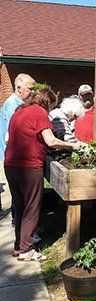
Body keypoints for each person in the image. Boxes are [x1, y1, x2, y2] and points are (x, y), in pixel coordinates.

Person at [4, 85, 81, 261]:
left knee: (20, 206)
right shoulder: (39, 112)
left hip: (10, 165)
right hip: (29, 166)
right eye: (52, 106)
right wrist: (74, 145)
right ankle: (26, 249)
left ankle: (19, 245)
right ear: (47, 102)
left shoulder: (19, 112)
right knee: (32, 206)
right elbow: (51, 141)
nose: (51, 110)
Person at [0, 73, 35, 223]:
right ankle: (18, 225)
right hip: (12, 157)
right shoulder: (13, 105)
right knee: (18, 194)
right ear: (19, 88)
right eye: (30, 89)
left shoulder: (18, 103)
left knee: (18, 194)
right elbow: (11, 136)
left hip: (12, 156)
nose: (33, 92)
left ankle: (18, 223)